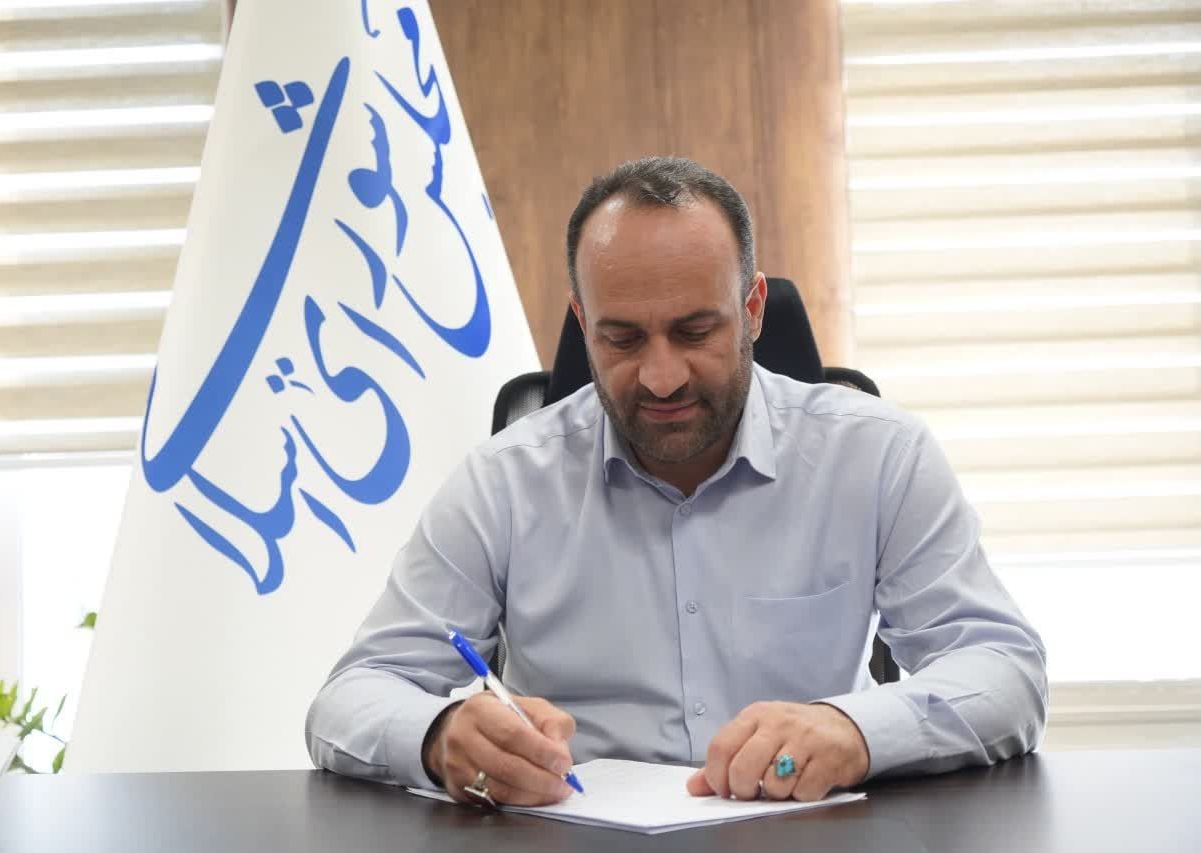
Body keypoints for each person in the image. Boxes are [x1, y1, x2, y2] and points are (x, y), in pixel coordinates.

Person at [306, 156, 1047, 806]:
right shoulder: (503, 481)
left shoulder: (878, 456)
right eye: (622, 338)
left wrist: (854, 728)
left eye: (695, 332)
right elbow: (350, 697)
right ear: (582, 322)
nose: (661, 377)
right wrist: (440, 734)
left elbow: (1005, 672)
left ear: (752, 309)